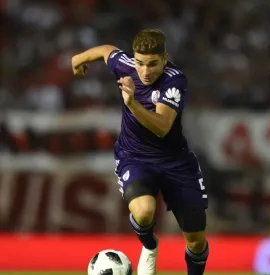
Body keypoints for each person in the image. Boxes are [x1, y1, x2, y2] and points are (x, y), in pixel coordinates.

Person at [71, 29, 209, 275]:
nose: (145, 71)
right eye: (140, 63)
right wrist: (79, 59)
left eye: (153, 64)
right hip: (135, 158)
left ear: (164, 59)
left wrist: (132, 103)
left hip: (176, 163)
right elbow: (106, 51)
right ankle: (149, 244)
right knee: (144, 212)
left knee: (196, 241)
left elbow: (162, 127)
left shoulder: (174, 81)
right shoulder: (125, 65)